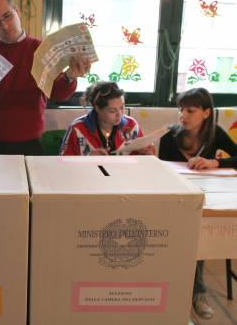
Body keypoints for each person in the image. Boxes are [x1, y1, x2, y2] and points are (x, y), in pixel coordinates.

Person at [0, 0, 91, 155]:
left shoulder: (40, 49)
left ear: (17, 11)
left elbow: (57, 93)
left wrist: (70, 75)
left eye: (7, 16)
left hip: (29, 143)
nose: (4, 26)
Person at [158, 87, 237, 320]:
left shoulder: (215, 133)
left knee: (198, 231)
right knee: (184, 231)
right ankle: (178, 290)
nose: (183, 115)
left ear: (206, 113)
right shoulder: (170, 135)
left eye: (190, 110)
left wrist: (215, 163)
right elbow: (163, 171)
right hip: (174, 201)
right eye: (181, 109)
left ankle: (197, 293)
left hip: (205, 199)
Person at [60, 81, 152, 155]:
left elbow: (140, 160)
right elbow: (63, 162)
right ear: (98, 108)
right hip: (89, 176)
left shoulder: (131, 126)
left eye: (122, 107)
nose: (119, 114)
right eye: (112, 111)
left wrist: (147, 154)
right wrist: (88, 159)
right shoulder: (77, 128)